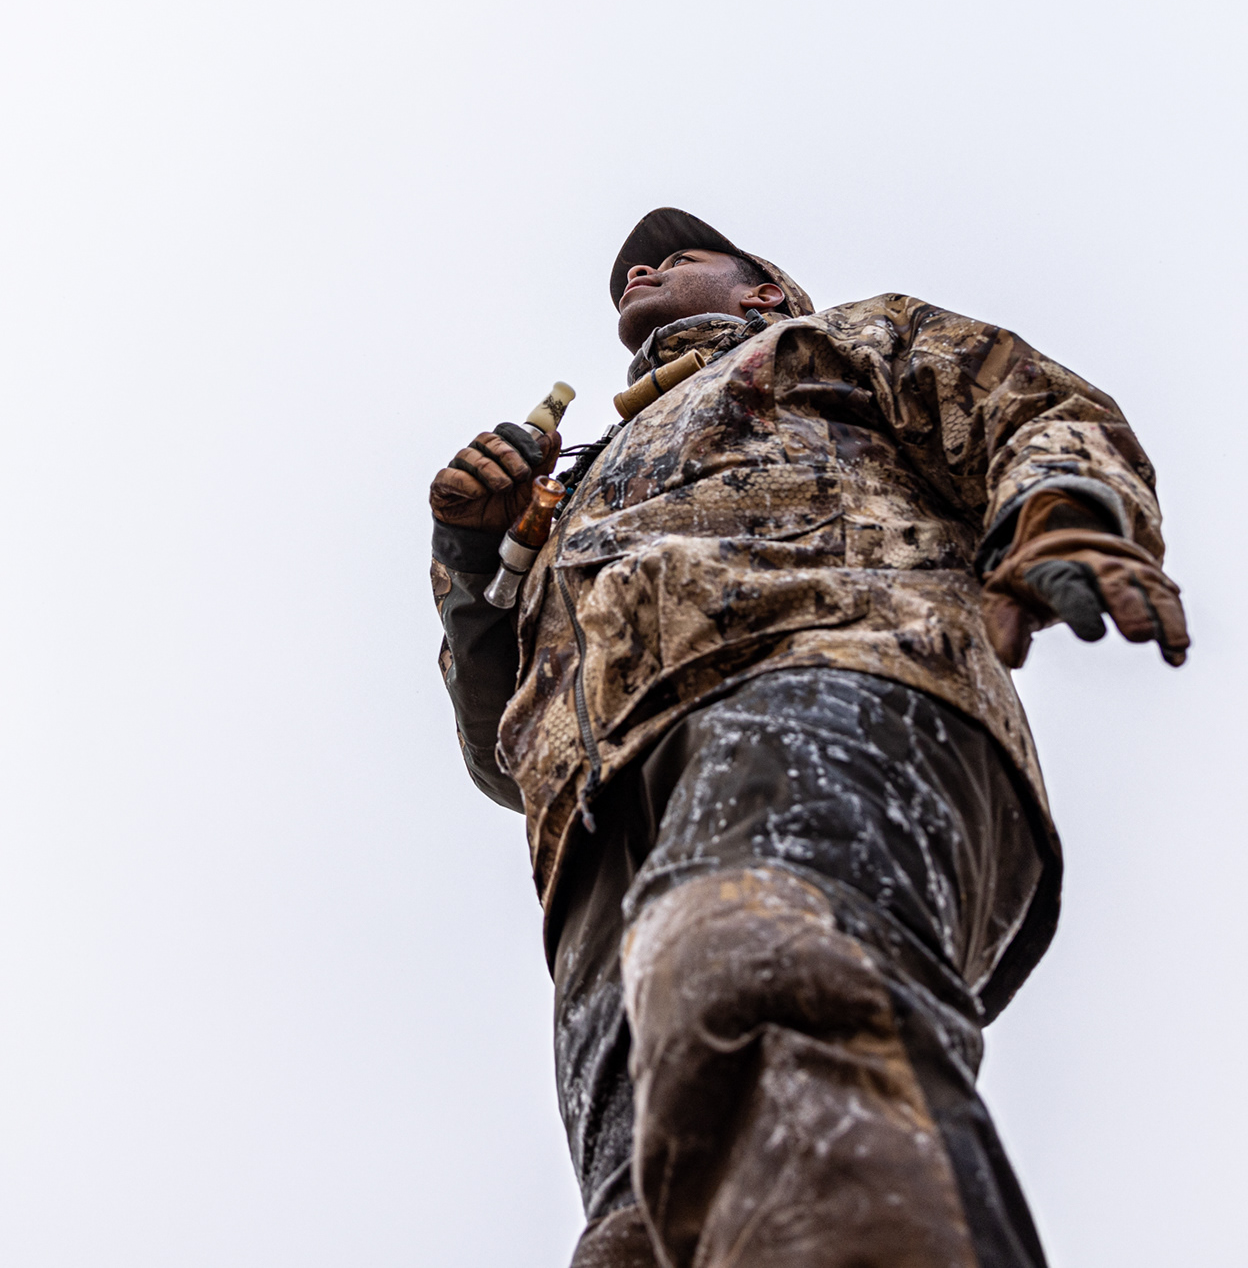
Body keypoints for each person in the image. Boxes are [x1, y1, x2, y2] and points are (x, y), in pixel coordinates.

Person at [428, 207, 1189, 1268]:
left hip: (832, 670)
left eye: (679, 256)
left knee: (757, 975)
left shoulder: (834, 341)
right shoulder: (573, 491)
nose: (642, 269)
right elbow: (498, 752)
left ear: (767, 291)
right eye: (634, 267)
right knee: (639, 1218)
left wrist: (1064, 510)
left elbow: (1025, 404)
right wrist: (470, 561)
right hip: (597, 829)